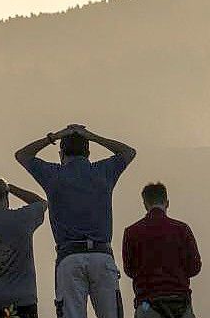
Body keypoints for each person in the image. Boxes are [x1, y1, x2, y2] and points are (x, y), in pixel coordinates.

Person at [15, 124, 137, 318]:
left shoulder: (53, 175)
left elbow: (22, 155)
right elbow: (128, 152)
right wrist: (93, 136)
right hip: (101, 255)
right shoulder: (103, 171)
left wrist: (53, 136)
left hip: (69, 258)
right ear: (88, 153)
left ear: (61, 153)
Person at [0, 176, 47, 318]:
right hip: (24, 301)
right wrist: (12, 188)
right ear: (6, 194)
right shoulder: (23, 218)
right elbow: (41, 203)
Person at [123, 183, 201, 318]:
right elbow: (195, 267)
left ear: (145, 204)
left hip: (148, 304)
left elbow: (129, 270)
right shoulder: (182, 229)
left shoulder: (132, 232)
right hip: (180, 302)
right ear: (167, 203)